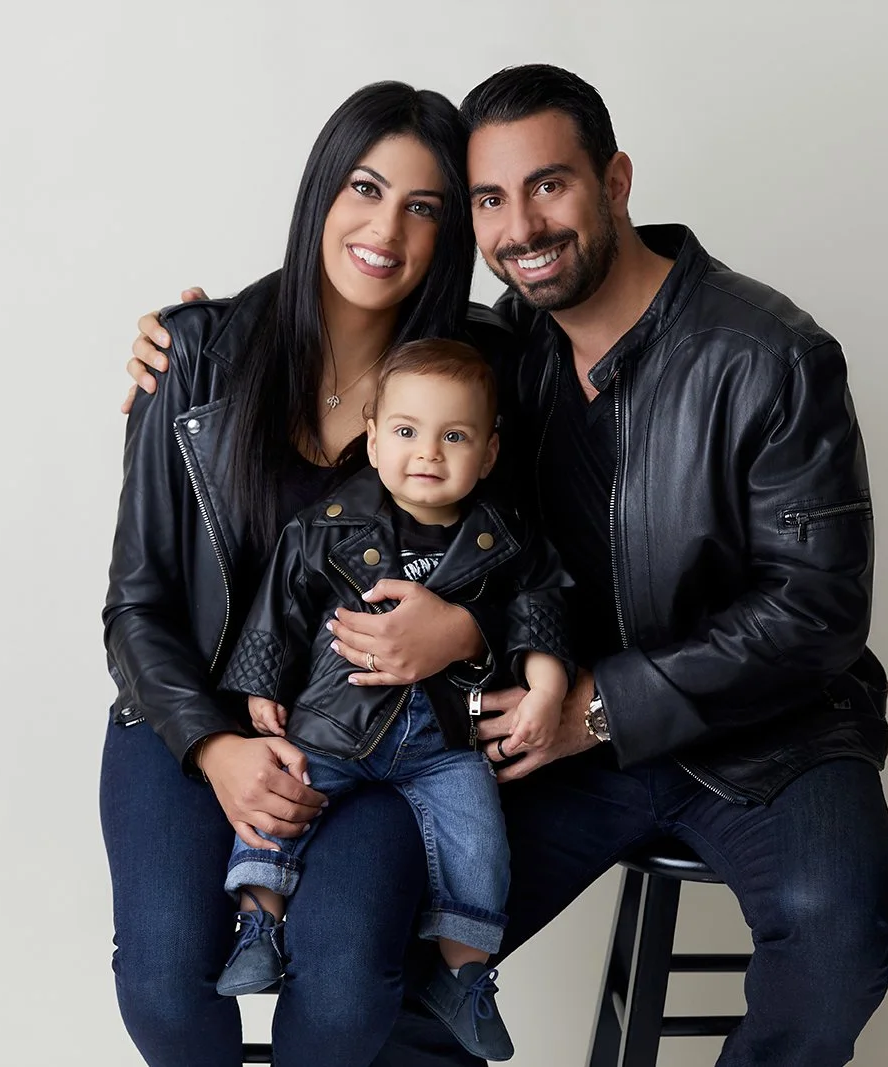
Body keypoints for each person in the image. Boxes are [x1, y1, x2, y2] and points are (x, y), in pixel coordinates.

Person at [125, 65, 888, 1067]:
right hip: (546, 738)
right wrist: (197, 339)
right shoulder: (503, 354)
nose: (521, 224)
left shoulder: (767, 355)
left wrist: (599, 704)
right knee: (388, 960)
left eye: (550, 185)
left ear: (615, 181)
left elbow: (818, 609)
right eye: (490, 198)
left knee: (837, 939)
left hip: (767, 734)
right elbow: (365, 361)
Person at [101, 80, 523, 1067]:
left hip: (380, 739)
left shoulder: (487, 371)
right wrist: (218, 750)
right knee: (166, 992)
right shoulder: (195, 355)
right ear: (321, 193)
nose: (386, 227)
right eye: (365, 189)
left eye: (424, 206)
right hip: (186, 722)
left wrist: (467, 635)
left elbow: (540, 568)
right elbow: (136, 604)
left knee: (344, 996)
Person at [215, 338, 574, 1060]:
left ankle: (465, 977)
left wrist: (550, 680)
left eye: (456, 436)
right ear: (373, 438)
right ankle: (259, 923)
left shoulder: (504, 539)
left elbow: (542, 603)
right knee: (281, 800)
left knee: (481, 843)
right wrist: (260, 687)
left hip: (444, 742)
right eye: (407, 431)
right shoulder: (325, 527)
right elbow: (277, 606)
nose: (428, 453)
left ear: (491, 452)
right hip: (335, 724)